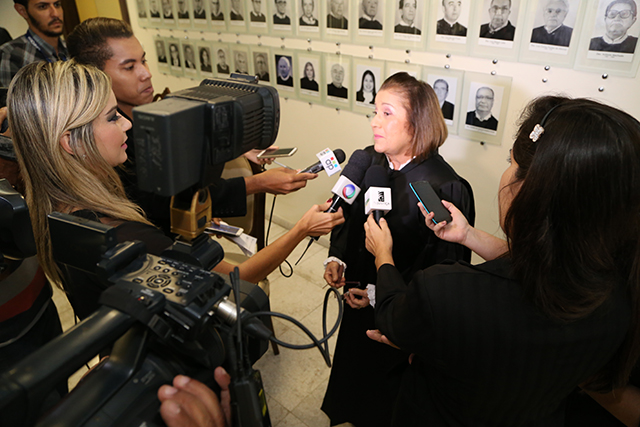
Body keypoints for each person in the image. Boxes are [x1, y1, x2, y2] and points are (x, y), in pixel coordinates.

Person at [363, 95, 640, 426]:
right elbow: (543, 266)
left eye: (510, 161)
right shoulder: (619, 294)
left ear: (530, 189)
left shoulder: (445, 291)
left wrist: (383, 254)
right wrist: (468, 235)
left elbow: (392, 315)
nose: (375, 121)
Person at [8, 59, 344, 322]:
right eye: (112, 118)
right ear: (71, 142)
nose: (127, 123)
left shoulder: (58, 208)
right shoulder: (121, 236)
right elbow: (236, 279)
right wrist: (302, 228)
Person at [321, 72, 475, 427]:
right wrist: (337, 255)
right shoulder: (369, 163)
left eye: (387, 113)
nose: (375, 122)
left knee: (386, 400)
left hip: (402, 317)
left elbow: (442, 272)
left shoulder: (444, 187)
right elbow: (348, 215)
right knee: (354, 379)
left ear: (418, 123)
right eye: (375, 111)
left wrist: (381, 294)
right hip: (356, 298)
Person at [68, 18, 316, 236]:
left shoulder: (158, 112)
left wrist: (238, 148)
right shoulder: (104, 143)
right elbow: (159, 202)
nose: (146, 74)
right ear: (96, 77)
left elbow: (183, 146)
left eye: (144, 61)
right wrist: (258, 183)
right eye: (130, 67)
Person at [0, 0, 68, 87]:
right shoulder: (10, 54)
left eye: (57, 4)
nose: (55, 14)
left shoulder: (73, 48)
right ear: (22, 11)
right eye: (43, 6)